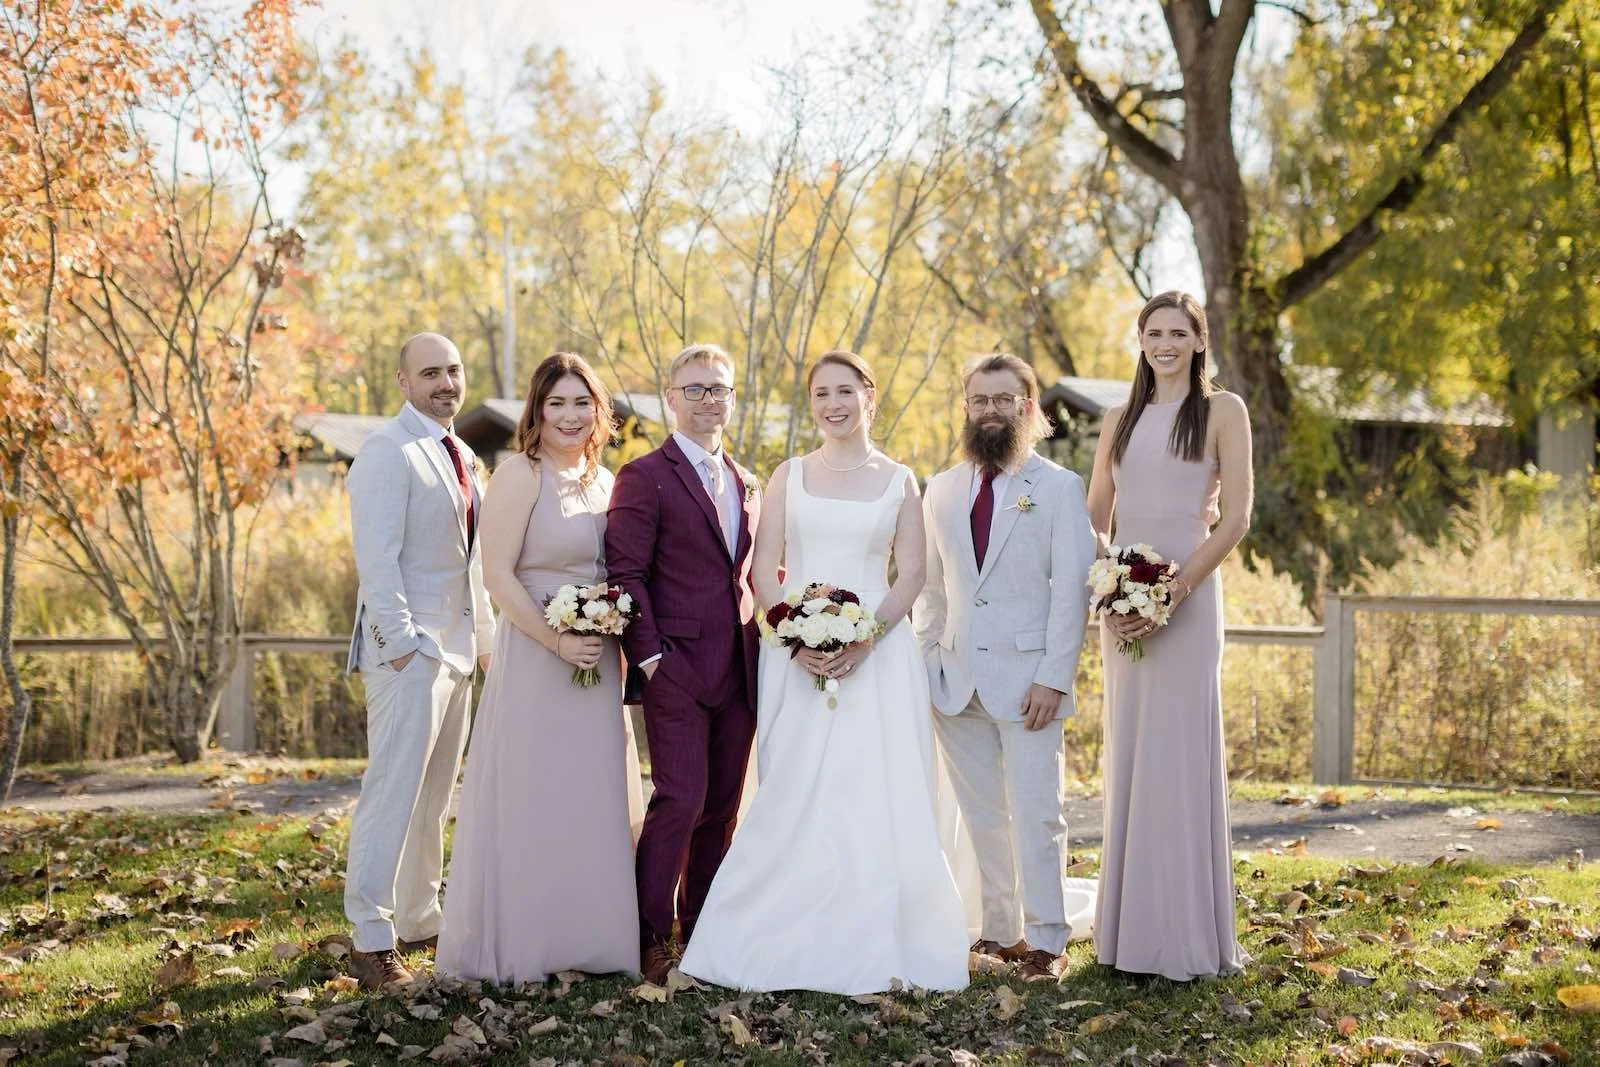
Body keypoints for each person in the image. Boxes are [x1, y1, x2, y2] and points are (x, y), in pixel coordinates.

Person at [678, 350, 969, 995]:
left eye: (844, 391)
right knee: (794, 787)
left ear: (869, 395)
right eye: (819, 394)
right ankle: (771, 930)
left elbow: (912, 575)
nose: (832, 405)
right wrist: (793, 637)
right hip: (794, 655)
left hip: (878, 658)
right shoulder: (788, 475)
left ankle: (876, 932)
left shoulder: (899, 479)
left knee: (871, 790)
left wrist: (863, 640)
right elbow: (763, 568)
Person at [435, 353, 642, 984]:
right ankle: (529, 941)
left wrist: (608, 628)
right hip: (536, 655)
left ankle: (593, 940)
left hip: (597, 657)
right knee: (536, 794)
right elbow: (497, 575)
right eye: (557, 403)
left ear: (598, 410)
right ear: (537, 410)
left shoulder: (604, 481)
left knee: (592, 794)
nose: (571, 416)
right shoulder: (520, 474)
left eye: (582, 402)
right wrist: (556, 642)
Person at [914, 353, 1097, 982]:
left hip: (1029, 684)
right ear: (965, 407)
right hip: (954, 681)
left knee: (1037, 811)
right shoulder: (938, 489)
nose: (990, 410)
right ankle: (1000, 932)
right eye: (979, 400)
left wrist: (1055, 676)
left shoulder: (1058, 488)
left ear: (1029, 406)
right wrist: (927, 656)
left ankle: (1048, 939)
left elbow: (1071, 592)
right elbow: (931, 589)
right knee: (983, 815)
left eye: (1004, 399)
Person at [1089, 290, 1252, 981]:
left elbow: (1237, 517)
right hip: (1124, 606)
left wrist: (1172, 591)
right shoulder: (1117, 419)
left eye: (1178, 332)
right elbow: (1096, 514)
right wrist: (1114, 588)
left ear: (1198, 341)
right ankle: (1128, 940)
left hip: (1187, 602)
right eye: (1154, 331)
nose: (1164, 343)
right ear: (1141, 339)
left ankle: (1186, 937)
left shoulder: (1223, 412)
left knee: (1180, 757)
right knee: (1131, 754)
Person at [605, 343, 762, 985]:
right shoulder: (645, 475)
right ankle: (647, 936)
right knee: (680, 799)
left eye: (717, 389)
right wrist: (649, 658)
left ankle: (701, 929)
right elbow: (625, 572)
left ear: (731, 397)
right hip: (673, 667)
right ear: (671, 398)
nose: (707, 400)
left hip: (740, 670)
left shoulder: (748, 479)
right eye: (694, 389)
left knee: (722, 806)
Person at [343, 332, 495, 990]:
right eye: (430, 372)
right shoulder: (387, 451)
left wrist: (483, 646)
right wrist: (403, 647)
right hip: (411, 657)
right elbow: (376, 560)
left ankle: (418, 914)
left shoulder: (461, 454)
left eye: (454, 370)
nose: (446, 382)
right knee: (392, 794)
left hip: (456, 653)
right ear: (402, 380)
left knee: (434, 798)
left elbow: (474, 568)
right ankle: (370, 938)